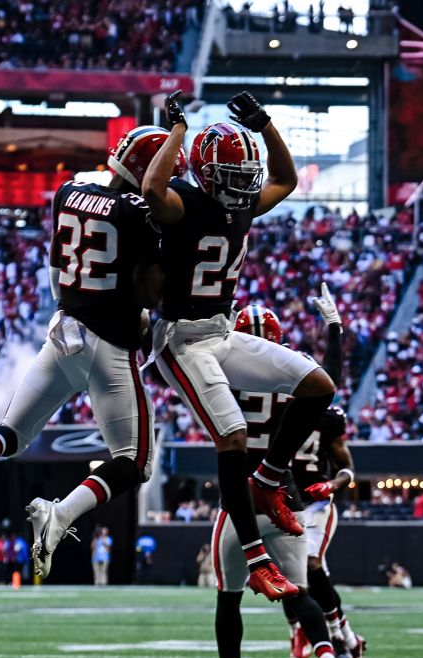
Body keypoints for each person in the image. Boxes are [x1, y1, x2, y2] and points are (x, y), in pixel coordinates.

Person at [0, 126, 187, 580]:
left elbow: (55, 271)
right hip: (108, 343)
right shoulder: (140, 213)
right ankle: (61, 513)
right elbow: (149, 293)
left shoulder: (68, 192)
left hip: (62, 329)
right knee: (135, 459)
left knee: (13, 431)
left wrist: (76, 305)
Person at [142, 90, 336, 602]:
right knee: (231, 435)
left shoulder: (243, 200)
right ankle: (257, 559)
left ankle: (269, 480)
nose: (241, 189)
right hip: (181, 342)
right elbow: (152, 185)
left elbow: (286, 179)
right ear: (205, 174)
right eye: (230, 178)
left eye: (243, 179)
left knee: (318, 385)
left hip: (221, 333)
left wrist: (266, 125)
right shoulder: (184, 203)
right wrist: (178, 130)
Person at [230, 292, 366, 658]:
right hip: (277, 489)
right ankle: (331, 639)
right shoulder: (293, 375)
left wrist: (334, 483)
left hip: (299, 498)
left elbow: (347, 465)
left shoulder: (232, 376)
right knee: (286, 577)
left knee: (300, 570)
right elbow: (330, 380)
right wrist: (335, 329)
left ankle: (337, 638)